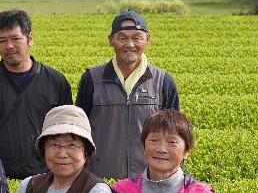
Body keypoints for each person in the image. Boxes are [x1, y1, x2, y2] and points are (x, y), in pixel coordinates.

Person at [0, 9, 72, 179]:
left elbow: (65, 130)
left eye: (15, 39)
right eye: (2, 40)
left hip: (44, 177)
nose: (9, 46)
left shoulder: (56, 82)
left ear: (30, 39)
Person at [75, 10, 180, 180]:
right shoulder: (92, 80)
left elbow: (176, 135)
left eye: (137, 38)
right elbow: (78, 132)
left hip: (149, 181)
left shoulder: (163, 82)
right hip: (100, 180)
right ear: (111, 40)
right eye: (122, 38)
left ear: (147, 40)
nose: (129, 44)